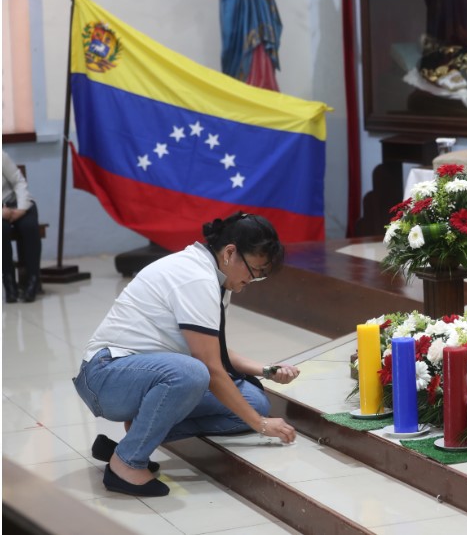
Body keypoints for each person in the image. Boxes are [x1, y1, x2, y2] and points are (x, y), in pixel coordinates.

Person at [73, 212, 301, 497]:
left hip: (140, 376)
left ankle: (133, 439)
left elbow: (214, 349)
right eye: (255, 271)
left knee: (254, 401)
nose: (253, 280)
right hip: (105, 376)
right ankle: (126, 464)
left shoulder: (216, 277)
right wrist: (261, 425)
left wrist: (266, 371)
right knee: (194, 374)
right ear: (231, 252)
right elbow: (209, 365)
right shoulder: (196, 278)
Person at [2, 151, 42, 303]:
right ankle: (9, 283)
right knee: (2, 231)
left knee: (29, 227)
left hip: (17, 203)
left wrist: (21, 208)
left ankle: (32, 280)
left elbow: (18, 181)